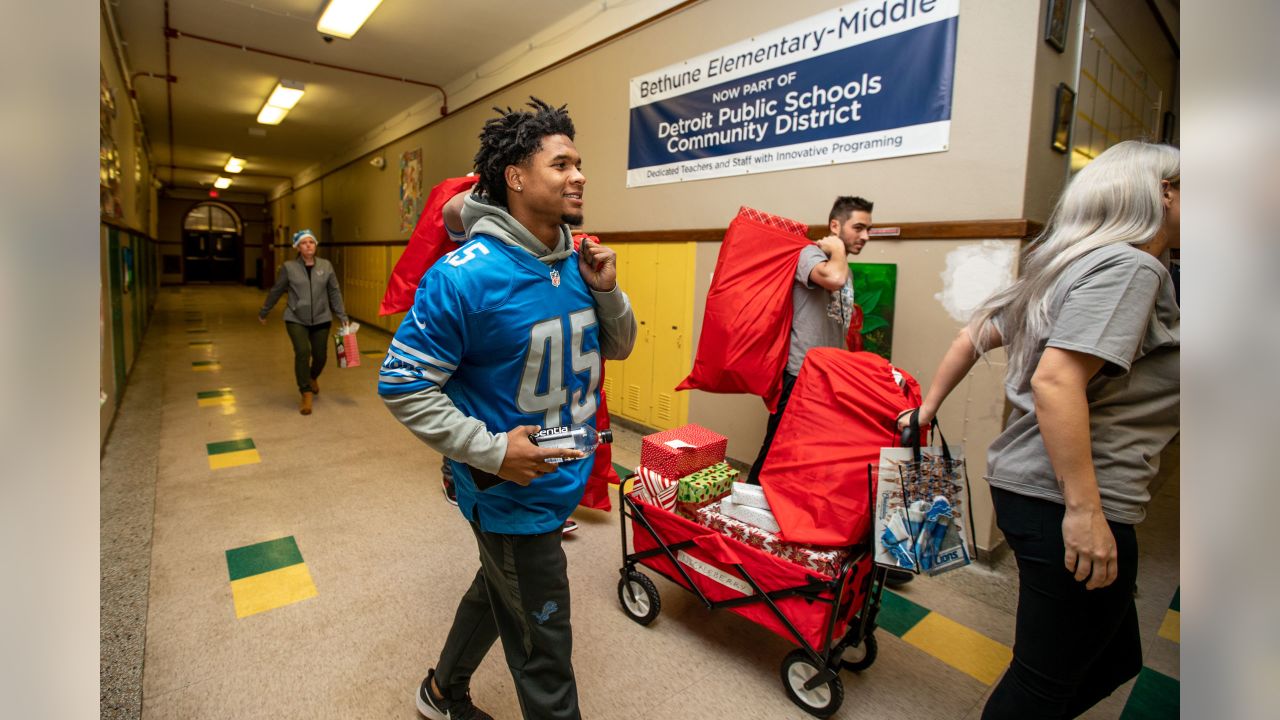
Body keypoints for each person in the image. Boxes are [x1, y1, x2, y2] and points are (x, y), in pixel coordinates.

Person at [899, 140, 1180, 718]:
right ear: (1164, 193)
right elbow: (1056, 382)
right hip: (1068, 498)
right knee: (1041, 685)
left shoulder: (1063, 266)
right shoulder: (1133, 266)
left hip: (1032, 486)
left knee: (1117, 656)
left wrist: (928, 408)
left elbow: (969, 336)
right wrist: (1084, 512)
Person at [379, 98, 636, 720]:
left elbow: (620, 346)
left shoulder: (578, 260)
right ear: (516, 178)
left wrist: (607, 291)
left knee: (500, 589)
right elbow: (402, 383)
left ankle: (439, 693)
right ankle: (445, 695)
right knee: (546, 653)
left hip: (559, 482)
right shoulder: (463, 276)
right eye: (561, 164)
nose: (578, 175)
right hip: (507, 491)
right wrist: (494, 450)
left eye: (580, 163)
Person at [746, 195, 873, 485]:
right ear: (835, 225)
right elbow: (833, 279)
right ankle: (741, 519)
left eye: (868, 230)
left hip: (825, 377)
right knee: (775, 450)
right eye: (858, 227)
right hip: (799, 374)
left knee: (804, 454)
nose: (865, 236)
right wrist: (837, 249)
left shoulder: (843, 267)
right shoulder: (810, 255)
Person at [258, 229, 348, 415]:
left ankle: (312, 376)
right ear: (297, 247)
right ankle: (305, 392)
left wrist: (342, 315)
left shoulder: (326, 265)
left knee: (321, 356)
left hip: (322, 318)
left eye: (312, 242)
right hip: (295, 318)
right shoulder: (289, 268)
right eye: (304, 243)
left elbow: (334, 292)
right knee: (302, 351)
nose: (309, 245)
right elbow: (276, 290)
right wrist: (265, 311)